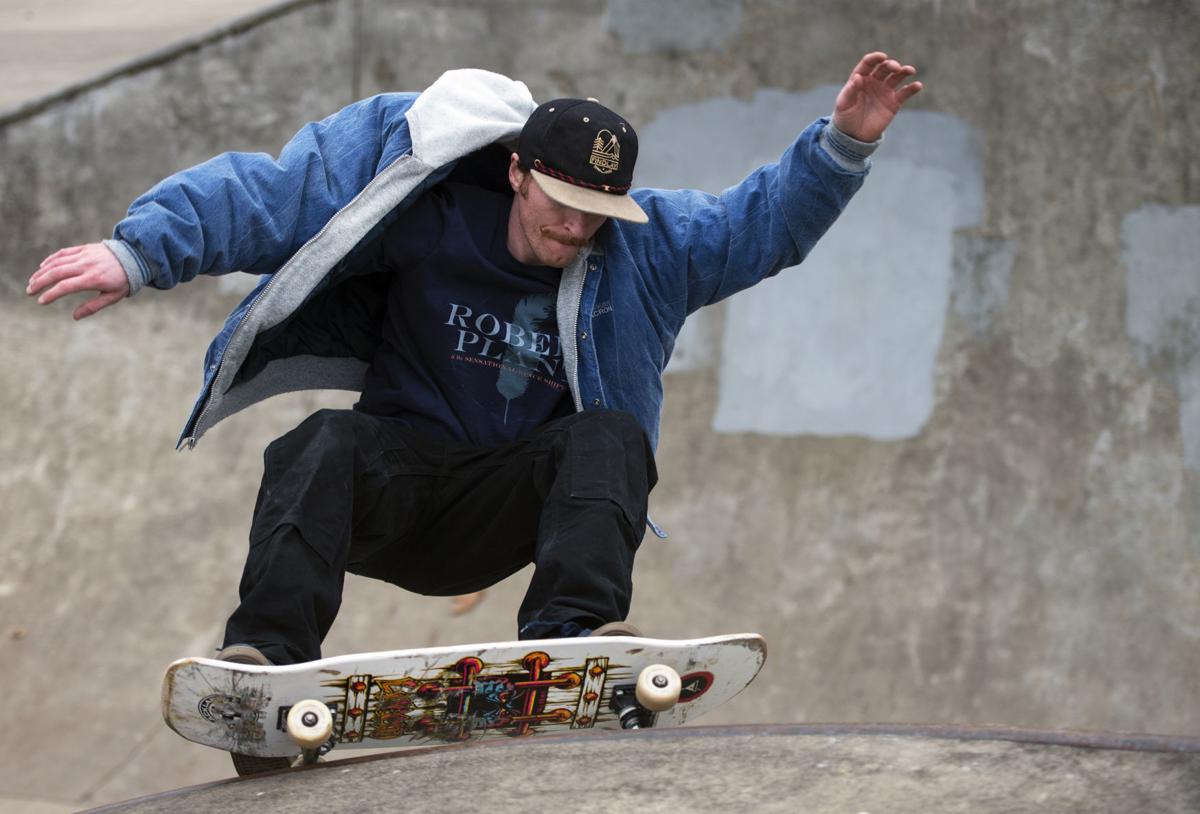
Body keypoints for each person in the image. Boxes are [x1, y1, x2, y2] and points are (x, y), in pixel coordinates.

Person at [27, 53, 921, 767]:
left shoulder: (645, 250)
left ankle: (574, 649)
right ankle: (266, 663)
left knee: (609, 436)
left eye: (594, 217)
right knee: (322, 440)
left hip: (513, 504)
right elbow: (274, 193)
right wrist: (140, 252)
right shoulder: (421, 202)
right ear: (520, 171)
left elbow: (756, 226)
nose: (574, 232)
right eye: (561, 207)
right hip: (399, 485)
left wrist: (840, 147)